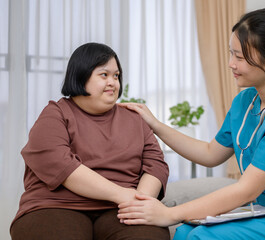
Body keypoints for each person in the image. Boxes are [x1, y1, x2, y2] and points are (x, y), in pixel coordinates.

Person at [117, 8, 265, 240]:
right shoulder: (245, 101)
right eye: (231, 53)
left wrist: (168, 214)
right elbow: (210, 153)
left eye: (240, 57)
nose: (231, 64)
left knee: (202, 236)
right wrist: (155, 124)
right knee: (185, 231)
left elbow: (246, 190)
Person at [10, 42, 170, 240]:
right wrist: (122, 195)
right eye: (104, 75)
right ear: (81, 75)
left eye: (116, 76)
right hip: (55, 205)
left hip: (121, 209)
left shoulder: (134, 118)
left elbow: (155, 165)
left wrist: (139, 202)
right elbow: (61, 165)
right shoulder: (55, 114)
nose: (112, 82)